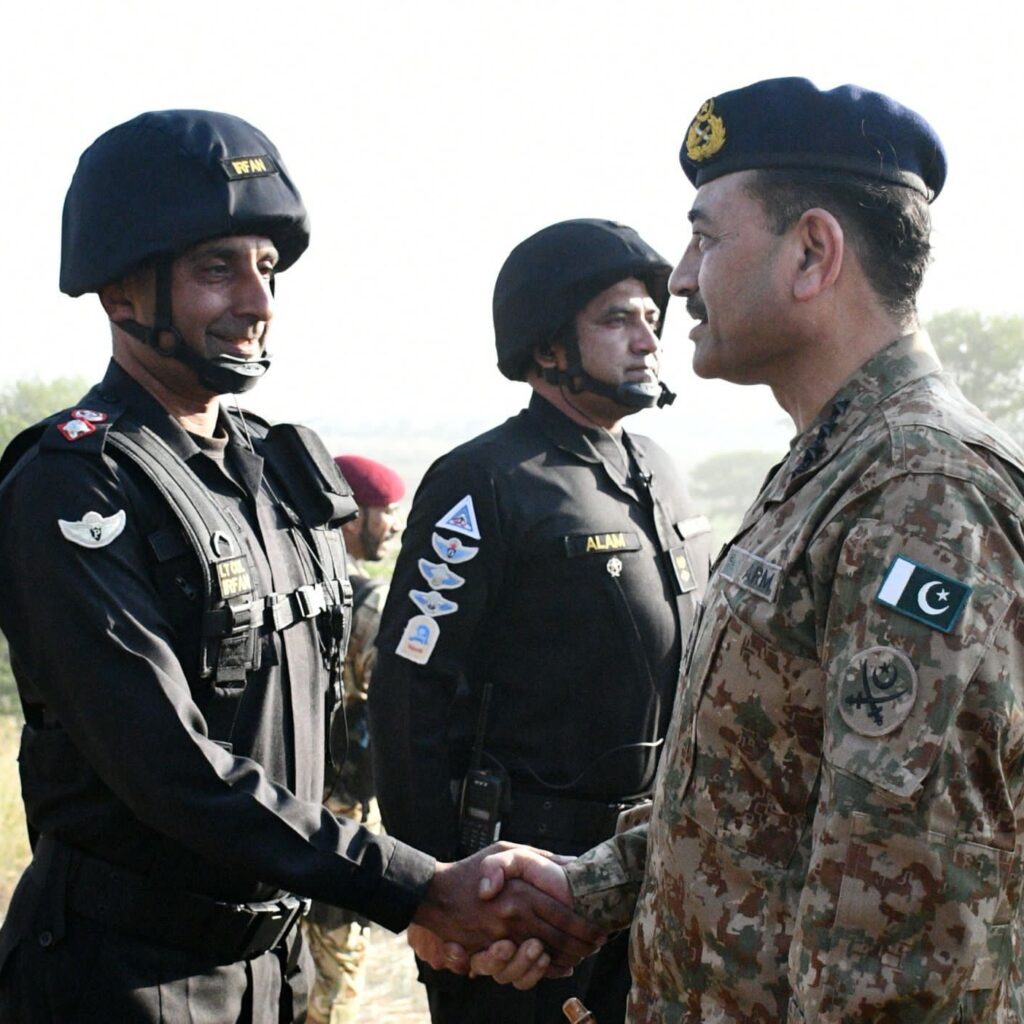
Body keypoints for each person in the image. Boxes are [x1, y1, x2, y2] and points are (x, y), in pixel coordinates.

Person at [0, 109, 601, 1024]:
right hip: (121, 982)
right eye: (217, 269)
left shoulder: (282, 472)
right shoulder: (73, 490)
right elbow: (171, 770)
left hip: (275, 973)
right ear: (121, 294)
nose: (258, 302)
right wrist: (418, 888)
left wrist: (413, 900)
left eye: (267, 270)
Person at [471, 77, 1024, 1021]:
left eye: (706, 238)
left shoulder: (918, 493)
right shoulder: (834, 462)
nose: (680, 279)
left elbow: (904, 938)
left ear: (812, 252)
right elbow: (769, 792)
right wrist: (588, 888)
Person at [369, 218, 715, 1023]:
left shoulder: (657, 469)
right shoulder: (484, 481)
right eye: (617, 318)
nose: (646, 337)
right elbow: (408, 694)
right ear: (549, 345)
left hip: (648, 871)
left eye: (652, 319)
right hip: (516, 889)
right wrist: (434, 892)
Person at [303, 454, 405, 1024]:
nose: (393, 525)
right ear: (349, 516)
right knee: (332, 995)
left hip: (260, 817)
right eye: (385, 512)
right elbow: (399, 713)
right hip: (337, 831)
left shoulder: (278, 583)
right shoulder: (365, 602)